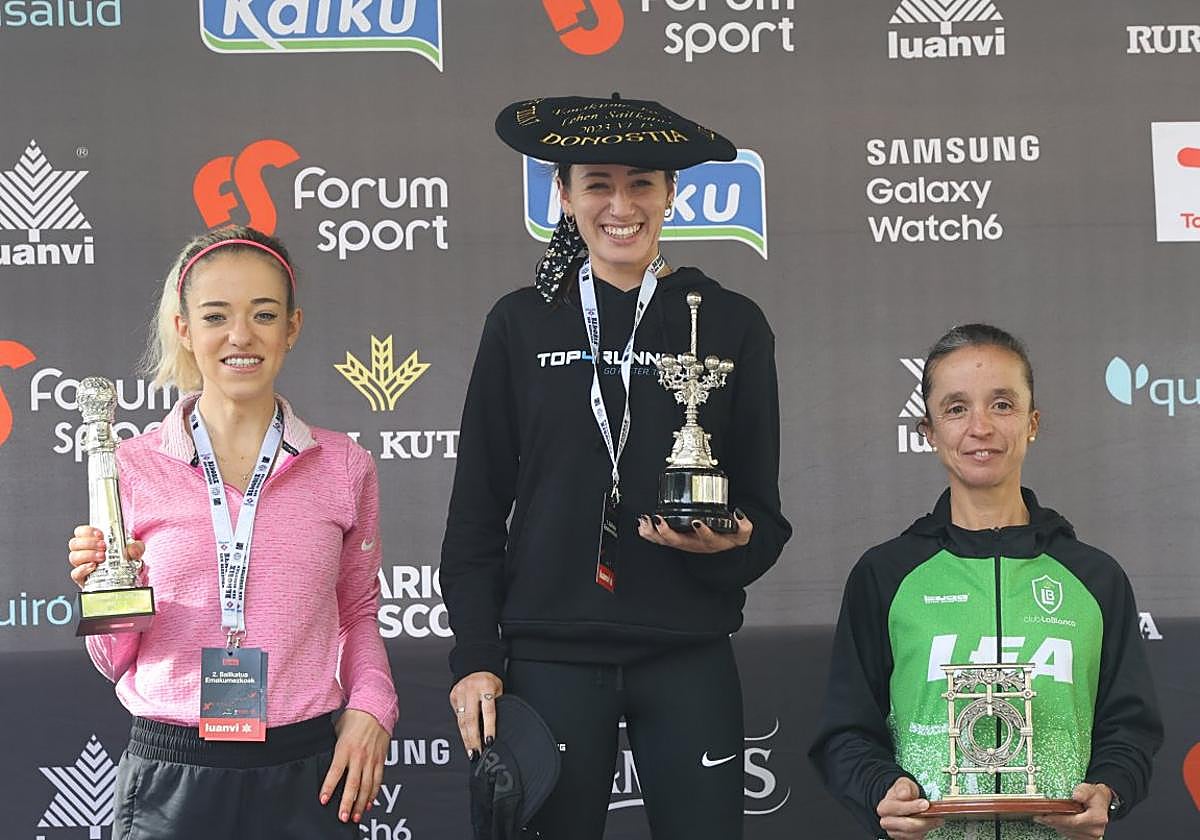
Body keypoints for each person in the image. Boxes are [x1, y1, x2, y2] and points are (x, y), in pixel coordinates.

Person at [439, 94, 792, 840]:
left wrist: (731, 545)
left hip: (687, 650)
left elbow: (765, 515)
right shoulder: (519, 322)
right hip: (549, 657)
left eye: (642, 184)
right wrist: (475, 656)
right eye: (597, 183)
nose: (620, 204)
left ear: (672, 193)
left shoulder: (730, 322)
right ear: (563, 197)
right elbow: (474, 514)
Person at [65, 225, 398, 839]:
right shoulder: (131, 467)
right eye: (216, 315)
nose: (240, 336)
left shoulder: (344, 465)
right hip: (172, 770)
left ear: (291, 328)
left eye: (263, 314)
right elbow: (114, 663)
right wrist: (108, 593)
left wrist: (372, 705)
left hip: (307, 770)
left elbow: (357, 612)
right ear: (185, 329)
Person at [809, 324, 1163, 840]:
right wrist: (880, 790)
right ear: (928, 430)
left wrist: (1109, 787)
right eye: (956, 408)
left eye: (1002, 404)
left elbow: (1130, 725)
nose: (980, 427)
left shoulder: (1095, 577)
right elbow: (846, 731)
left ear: (1032, 422)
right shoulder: (884, 575)